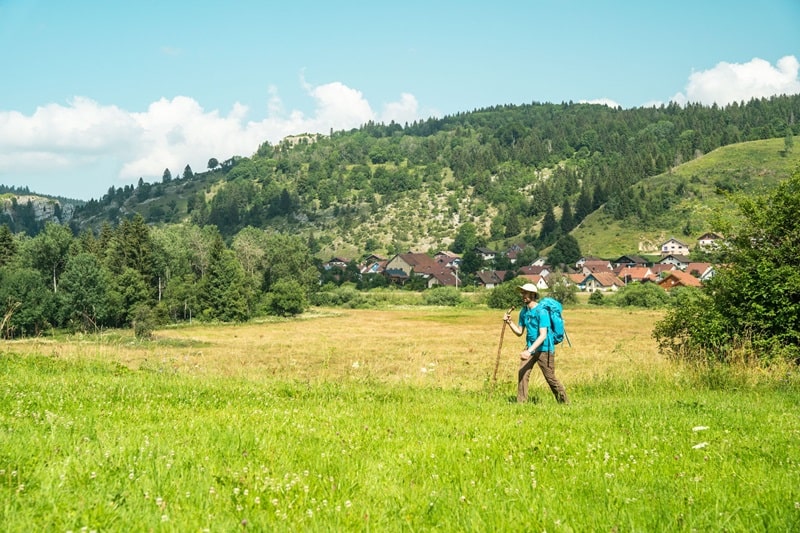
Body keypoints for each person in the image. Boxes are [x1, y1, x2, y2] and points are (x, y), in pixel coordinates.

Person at [503, 283, 569, 404]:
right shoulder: (524, 312)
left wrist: (529, 351)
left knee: (550, 378)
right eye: (522, 293)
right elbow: (519, 332)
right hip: (530, 347)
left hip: (545, 349)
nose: (523, 295)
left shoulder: (541, 312)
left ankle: (565, 403)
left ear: (533, 295)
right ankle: (521, 403)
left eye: (525, 293)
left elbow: (543, 335)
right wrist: (509, 322)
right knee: (522, 373)